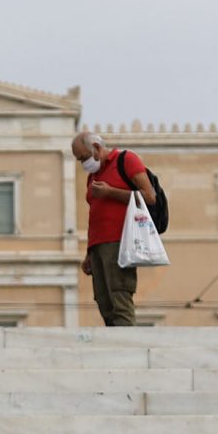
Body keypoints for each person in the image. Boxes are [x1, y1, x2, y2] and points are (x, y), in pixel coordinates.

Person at [74, 127, 156, 327]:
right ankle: (115, 343)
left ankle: (128, 348)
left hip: (120, 242)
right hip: (98, 246)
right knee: (104, 301)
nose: (83, 163)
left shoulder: (126, 160)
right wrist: (89, 252)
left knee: (120, 297)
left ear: (96, 147)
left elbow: (149, 197)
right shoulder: (93, 176)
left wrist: (111, 192)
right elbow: (95, 215)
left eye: (83, 157)